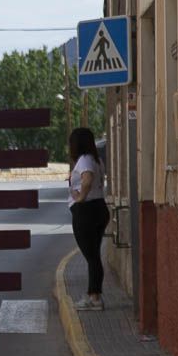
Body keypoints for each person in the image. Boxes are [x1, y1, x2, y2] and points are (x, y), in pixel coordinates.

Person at [67, 127, 109, 311]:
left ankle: (94, 298)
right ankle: (95, 295)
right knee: (94, 256)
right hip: (99, 207)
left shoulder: (84, 160)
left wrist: (80, 198)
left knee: (91, 257)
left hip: (87, 211)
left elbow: (87, 179)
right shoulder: (96, 160)